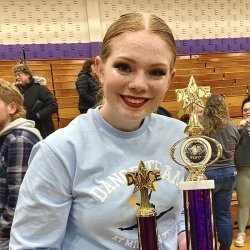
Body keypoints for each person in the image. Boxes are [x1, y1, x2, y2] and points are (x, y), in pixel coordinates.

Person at [10, 12, 187, 249]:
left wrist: (185, 234)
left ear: (170, 78)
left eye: (156, 72)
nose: (138, 84)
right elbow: (32, 245)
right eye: (124, 67)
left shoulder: (181, 137)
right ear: (99, 69)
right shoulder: (60, 150)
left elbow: (181, 211)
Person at [0, 79, 42, 250]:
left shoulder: (18, 139)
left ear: (12, 108)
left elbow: (19, 199)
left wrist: (2, 228)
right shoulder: (6, 136)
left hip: (9, 234)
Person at [200, 94, 240, 250]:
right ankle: (225, 248)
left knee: (204, 216)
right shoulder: (232, 126)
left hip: (209, 174)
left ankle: (207, 246)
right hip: (229, 172)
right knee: (223, 215)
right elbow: (236, 144)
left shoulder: (203, 125)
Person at [14, 64, 58, 138]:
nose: (17, 77)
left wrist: (38, 115)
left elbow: (53, 106)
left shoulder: (40, 88)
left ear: (28, 75)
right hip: (26, 128)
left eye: (19, 75)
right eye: (16, 75)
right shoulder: (15, 90)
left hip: (43, 129)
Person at [234, 95, 250, 247]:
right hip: (244, 169)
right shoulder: (237, 127)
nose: (248, 112)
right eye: (245, 110)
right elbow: (230, 145)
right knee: (243, 203)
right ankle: (241, 233)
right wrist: (239, 130)